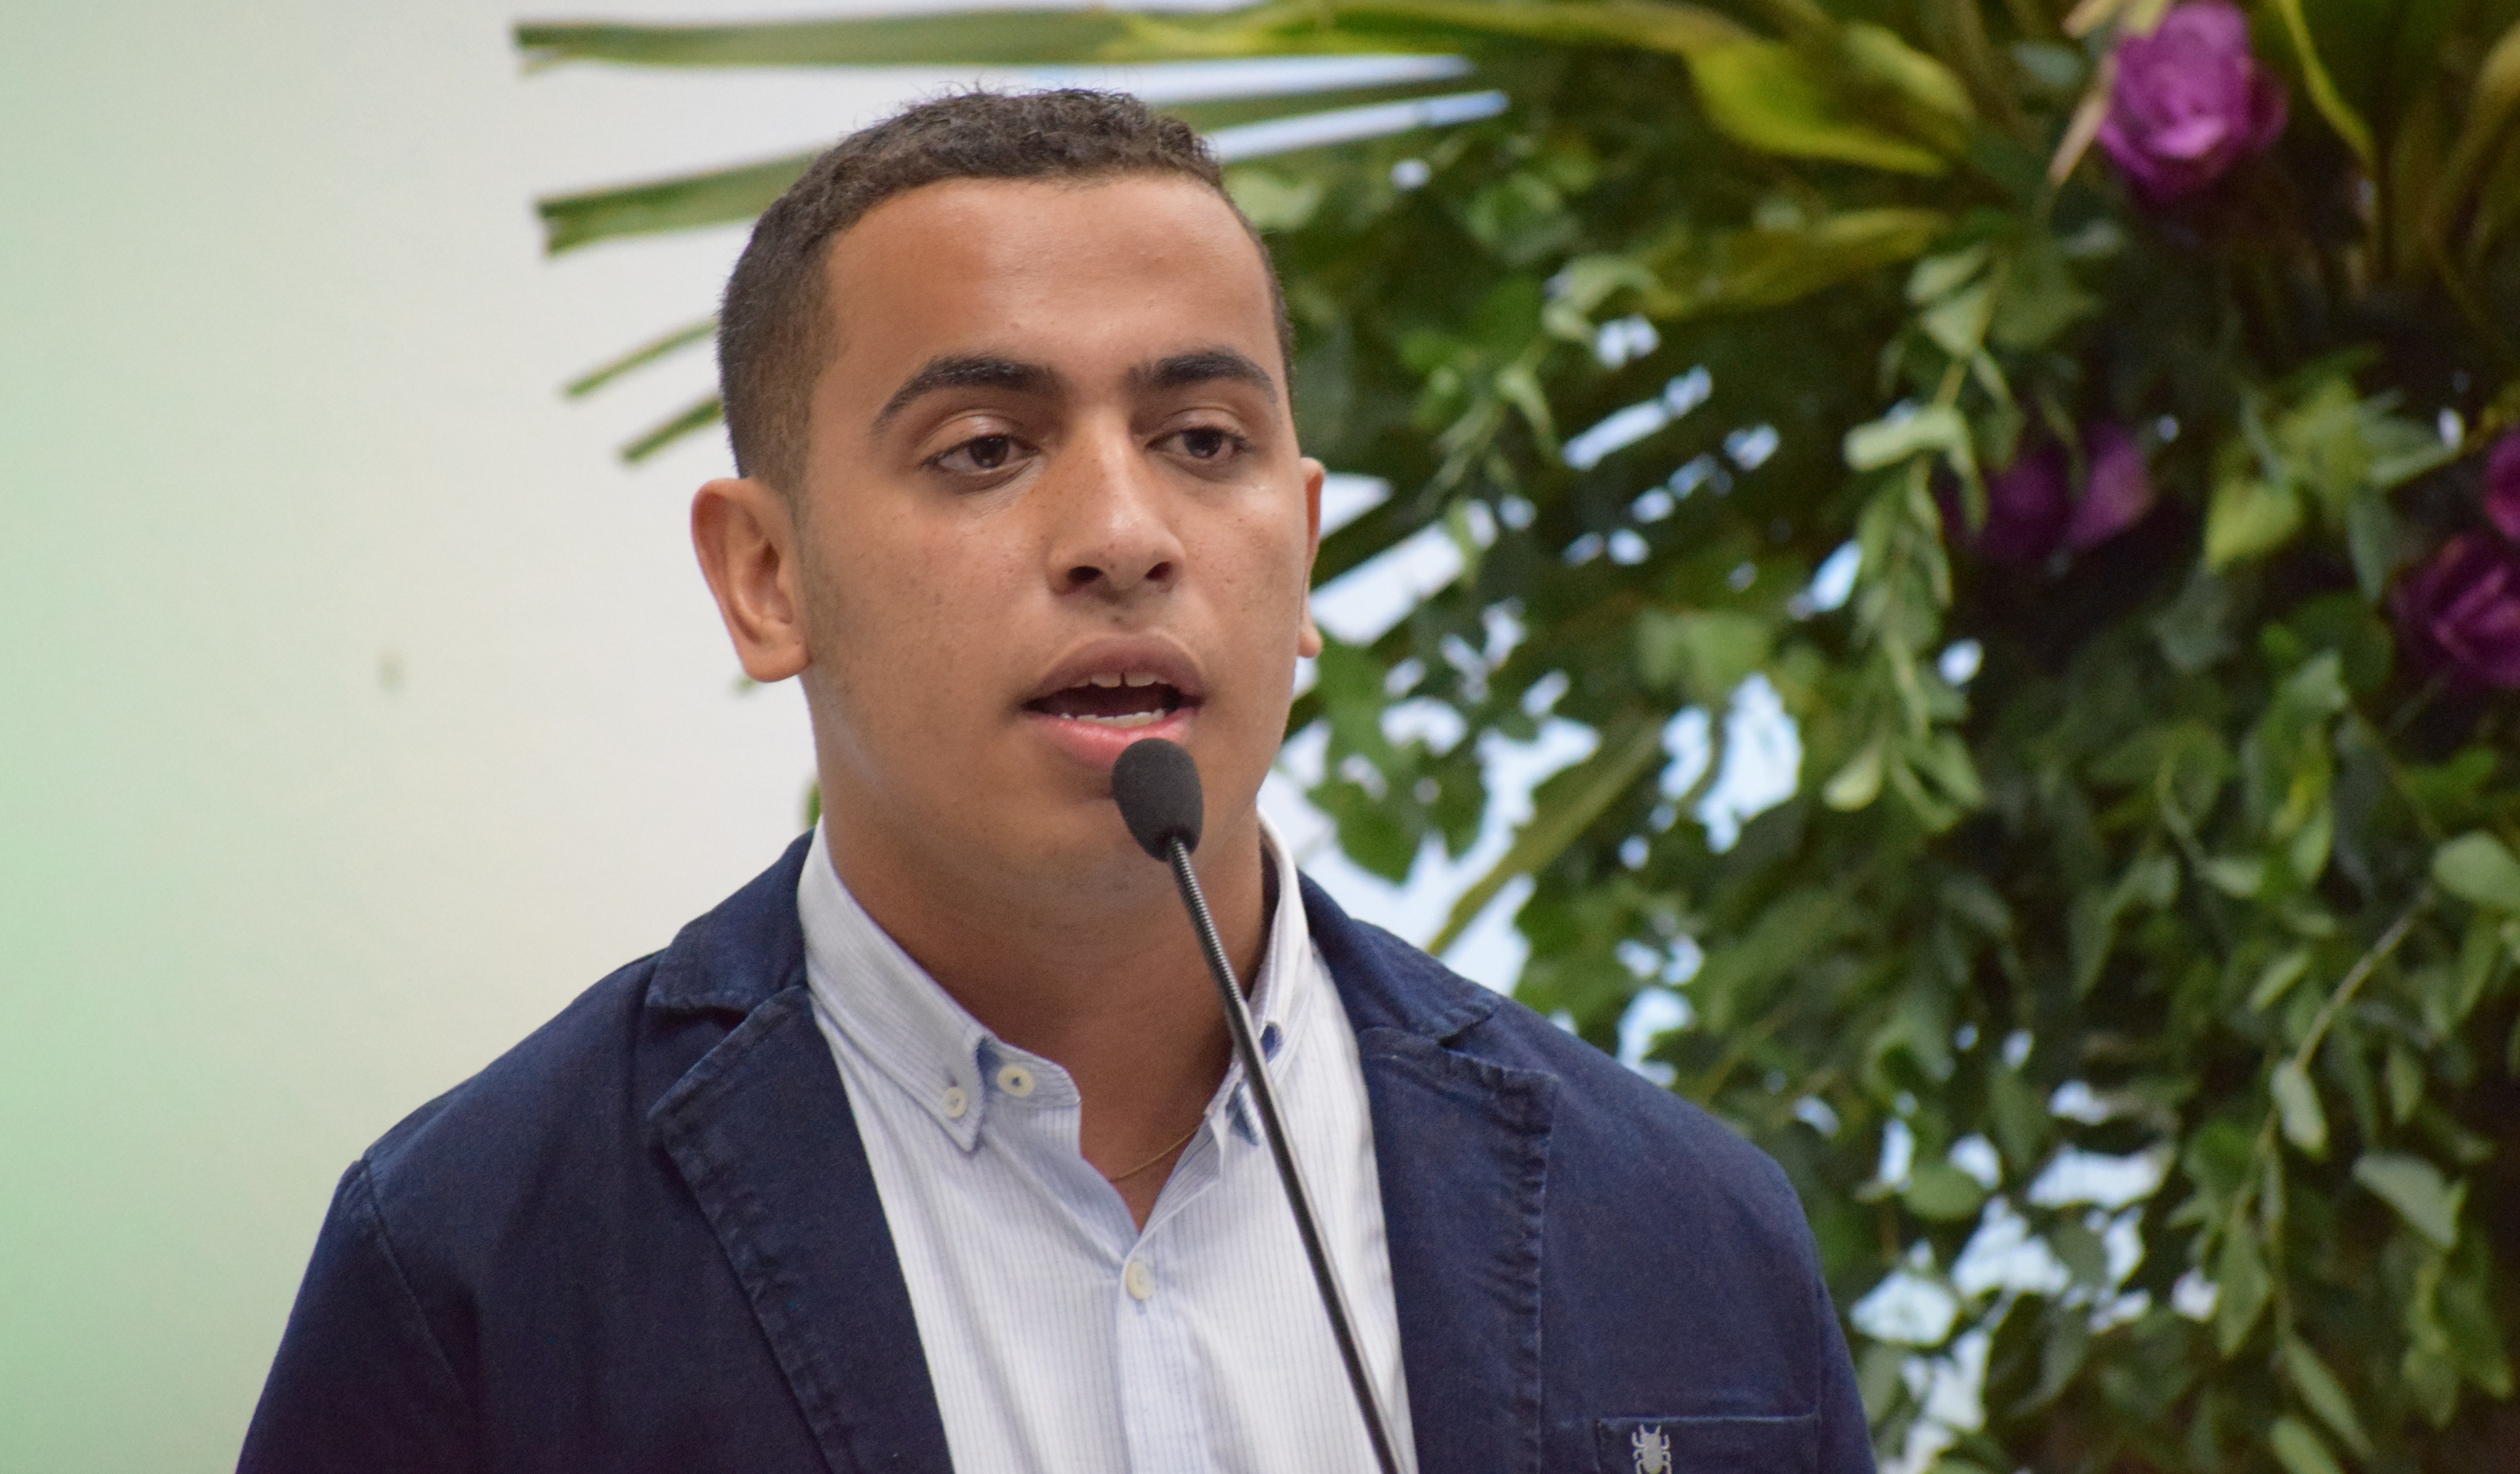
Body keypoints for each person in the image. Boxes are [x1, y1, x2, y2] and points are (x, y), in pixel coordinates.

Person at [240, 89, 1874, 1474]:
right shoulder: (477, 1264)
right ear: (765, 577)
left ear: (1305, 550)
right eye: (986, 449)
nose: (1123, 535)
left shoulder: (1684, 1230)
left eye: (1205, 441)